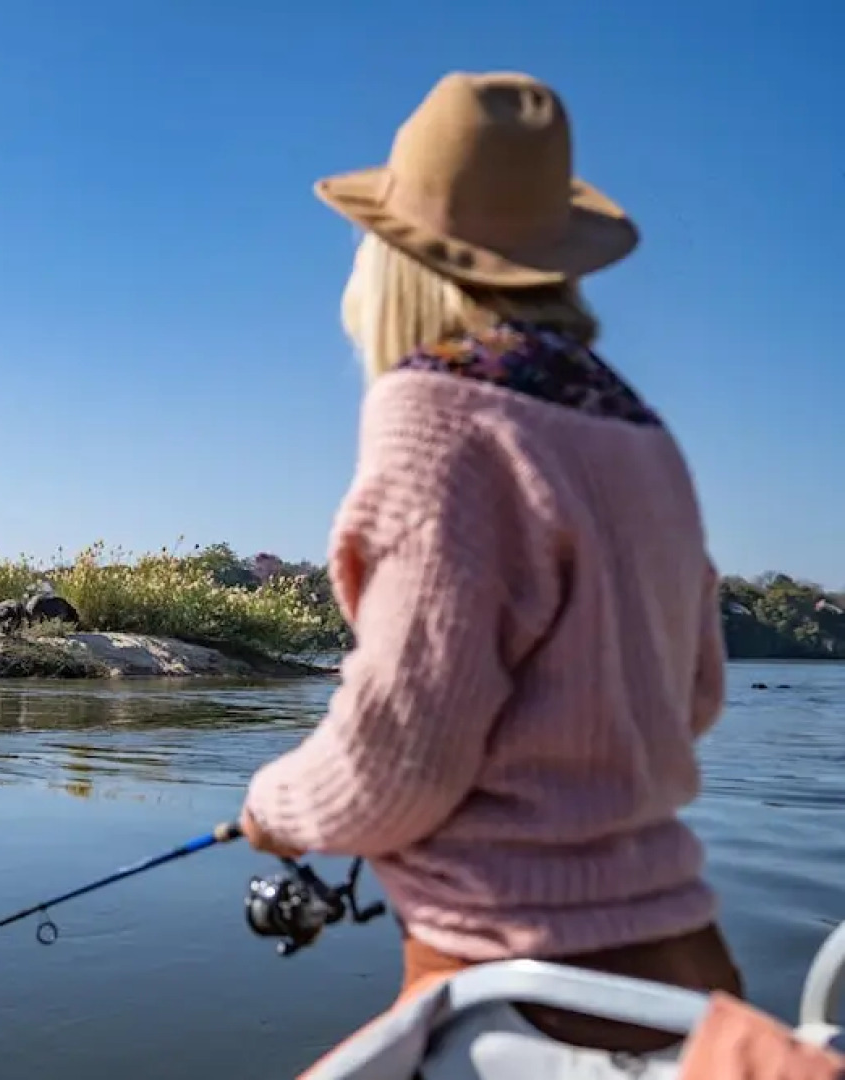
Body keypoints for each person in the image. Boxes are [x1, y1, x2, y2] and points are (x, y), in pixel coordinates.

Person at [238, 71, 743, 1053]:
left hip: (518, 996)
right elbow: (695, 698)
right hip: (690, 969)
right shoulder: (639, 432)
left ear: (395, 261)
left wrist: (272, 807)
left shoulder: (433, 419)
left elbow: (396, 768)